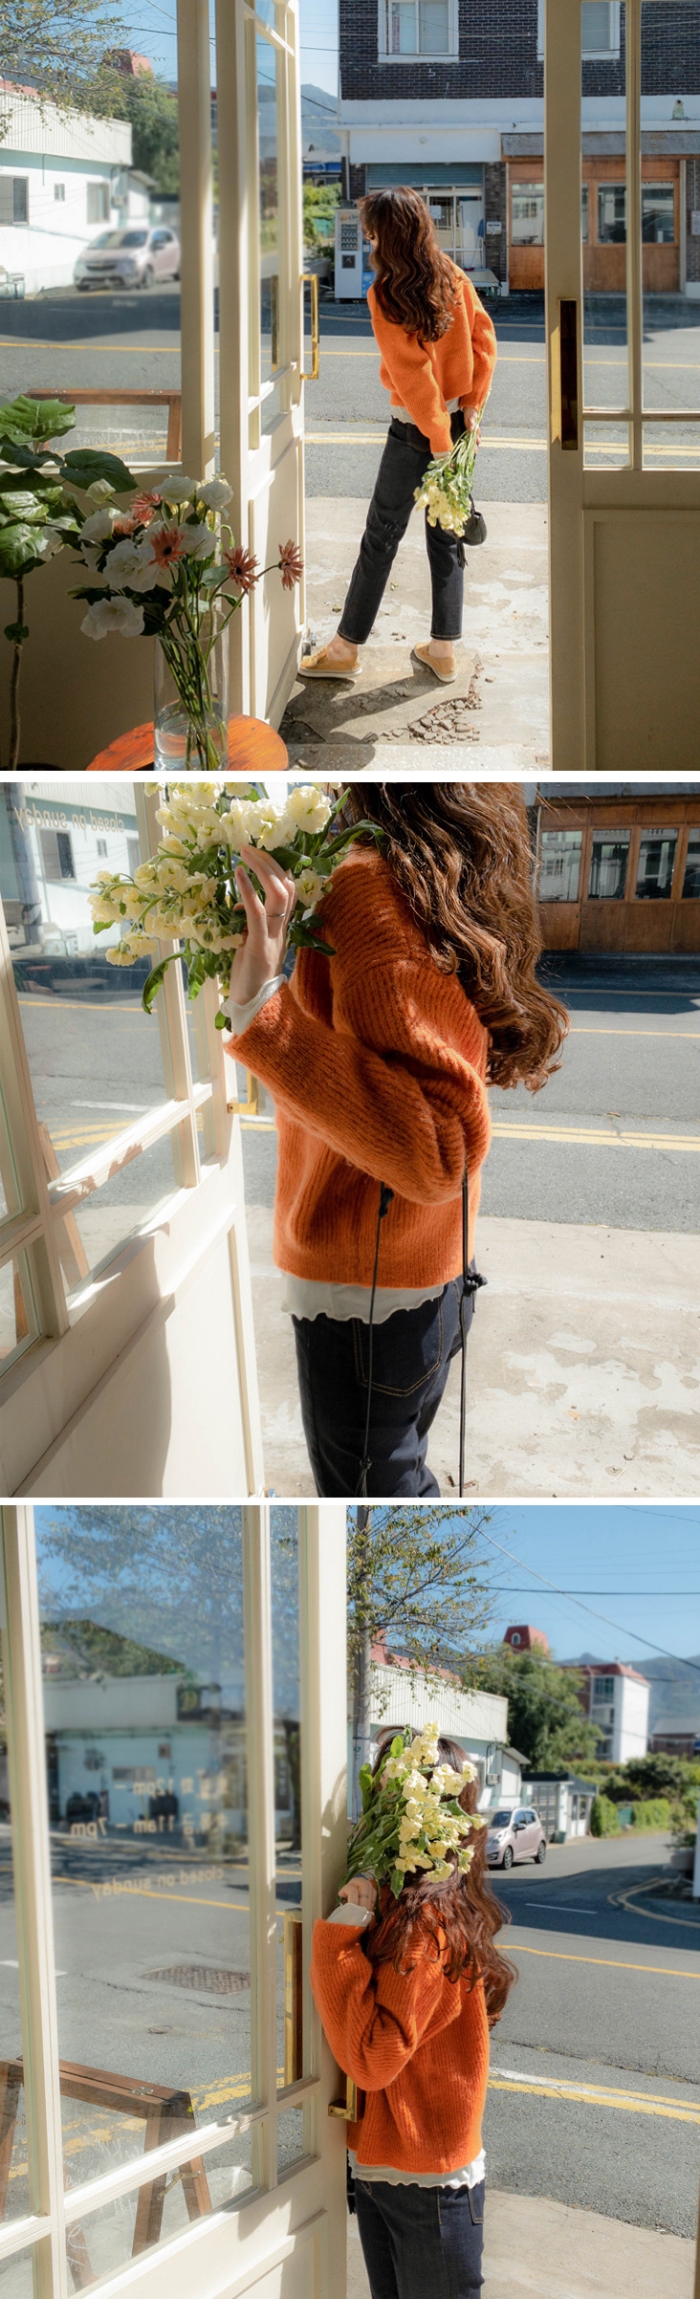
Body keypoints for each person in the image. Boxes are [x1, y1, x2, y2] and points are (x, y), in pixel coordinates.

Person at [225, 782, 568, 1499]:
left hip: (366, 1299)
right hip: (427, 1277)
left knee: (375, 1502)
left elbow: (437, 1149)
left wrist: (262, 1011)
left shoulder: (369, 888)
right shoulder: (438, 876)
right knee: (396, 1484)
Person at [310, 1730, 517, 2299]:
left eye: (389, 1794)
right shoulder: (408, 1906)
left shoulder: (427, 1925)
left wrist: (340, 1938)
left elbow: (373, 2060)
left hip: (426, 2183)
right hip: (392, 2168)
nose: (373, 1809)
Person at [299, 188, 497, 688]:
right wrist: (471, 407)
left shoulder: (387, 292)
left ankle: (344, 650)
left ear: (388, 236)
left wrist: (436, 440)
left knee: (381, 537)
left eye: (372, 232)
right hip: (457, 428)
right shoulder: (452, 275)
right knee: (446, 536)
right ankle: (443, 651)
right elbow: (484, 340)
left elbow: (413, 377)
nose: (368, 240)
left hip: (416, 433)